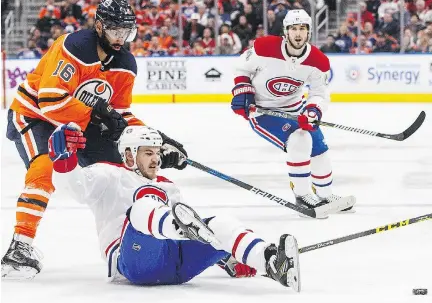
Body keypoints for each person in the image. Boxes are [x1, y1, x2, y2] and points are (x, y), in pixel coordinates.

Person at [1, 0, 187, 280]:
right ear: (99, 26)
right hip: (35, 116)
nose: (120, 38)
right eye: (114, 31)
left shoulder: (125, 63)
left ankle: (161, 231)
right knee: (44, 168)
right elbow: (50, 101)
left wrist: (155, 142)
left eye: (125, 32)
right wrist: (98, 114)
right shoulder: (74, 47)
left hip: (78, 122)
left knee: (126, 168)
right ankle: (20, 246)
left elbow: (121, 114)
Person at [46, 124, 301, 291]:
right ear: (128, 155)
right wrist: (63, 160)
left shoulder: (169, 187)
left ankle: (271, 262)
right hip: (134, 262)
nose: (156, 158)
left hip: (176, 263)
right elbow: (76, 187)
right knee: (142, 207)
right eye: (147, 152)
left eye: (156, 152)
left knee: (220, 223)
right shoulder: (108, 174)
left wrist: (227, 258)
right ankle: (178, 229)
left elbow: (197, 227)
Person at [230, 9, 355, 212]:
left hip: (296, 109)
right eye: (293, 29)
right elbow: (241, 68)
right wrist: (243, 91)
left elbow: (319, 93)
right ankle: (302, 195)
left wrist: (312, 112)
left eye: (303, 29)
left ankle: (325, 195)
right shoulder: (264, 47)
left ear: (309, 32)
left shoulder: (318, 60)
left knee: (319, 148)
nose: (298, 34)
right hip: (264, 112)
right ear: (285, 32)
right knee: (299, 139)